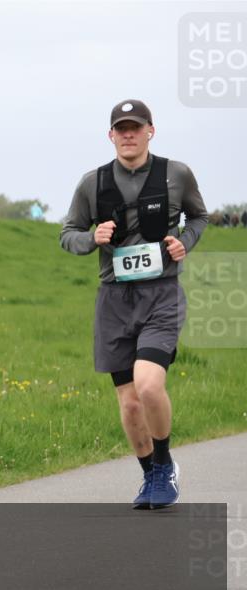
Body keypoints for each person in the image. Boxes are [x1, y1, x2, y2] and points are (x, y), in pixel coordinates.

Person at [60, 99, 208, 510]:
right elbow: (68, 233)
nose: (128, 134)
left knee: (148, 385)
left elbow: (199, 218)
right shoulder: (93, 183)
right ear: (111, 135)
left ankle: (164, 465)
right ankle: (150, 476)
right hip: (114, 300)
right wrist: (92, 238)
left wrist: (185, 242)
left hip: (161, 294)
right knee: (128, 402)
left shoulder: (176, 174)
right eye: (120, 128)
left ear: (150, 131)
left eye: (135, 127)